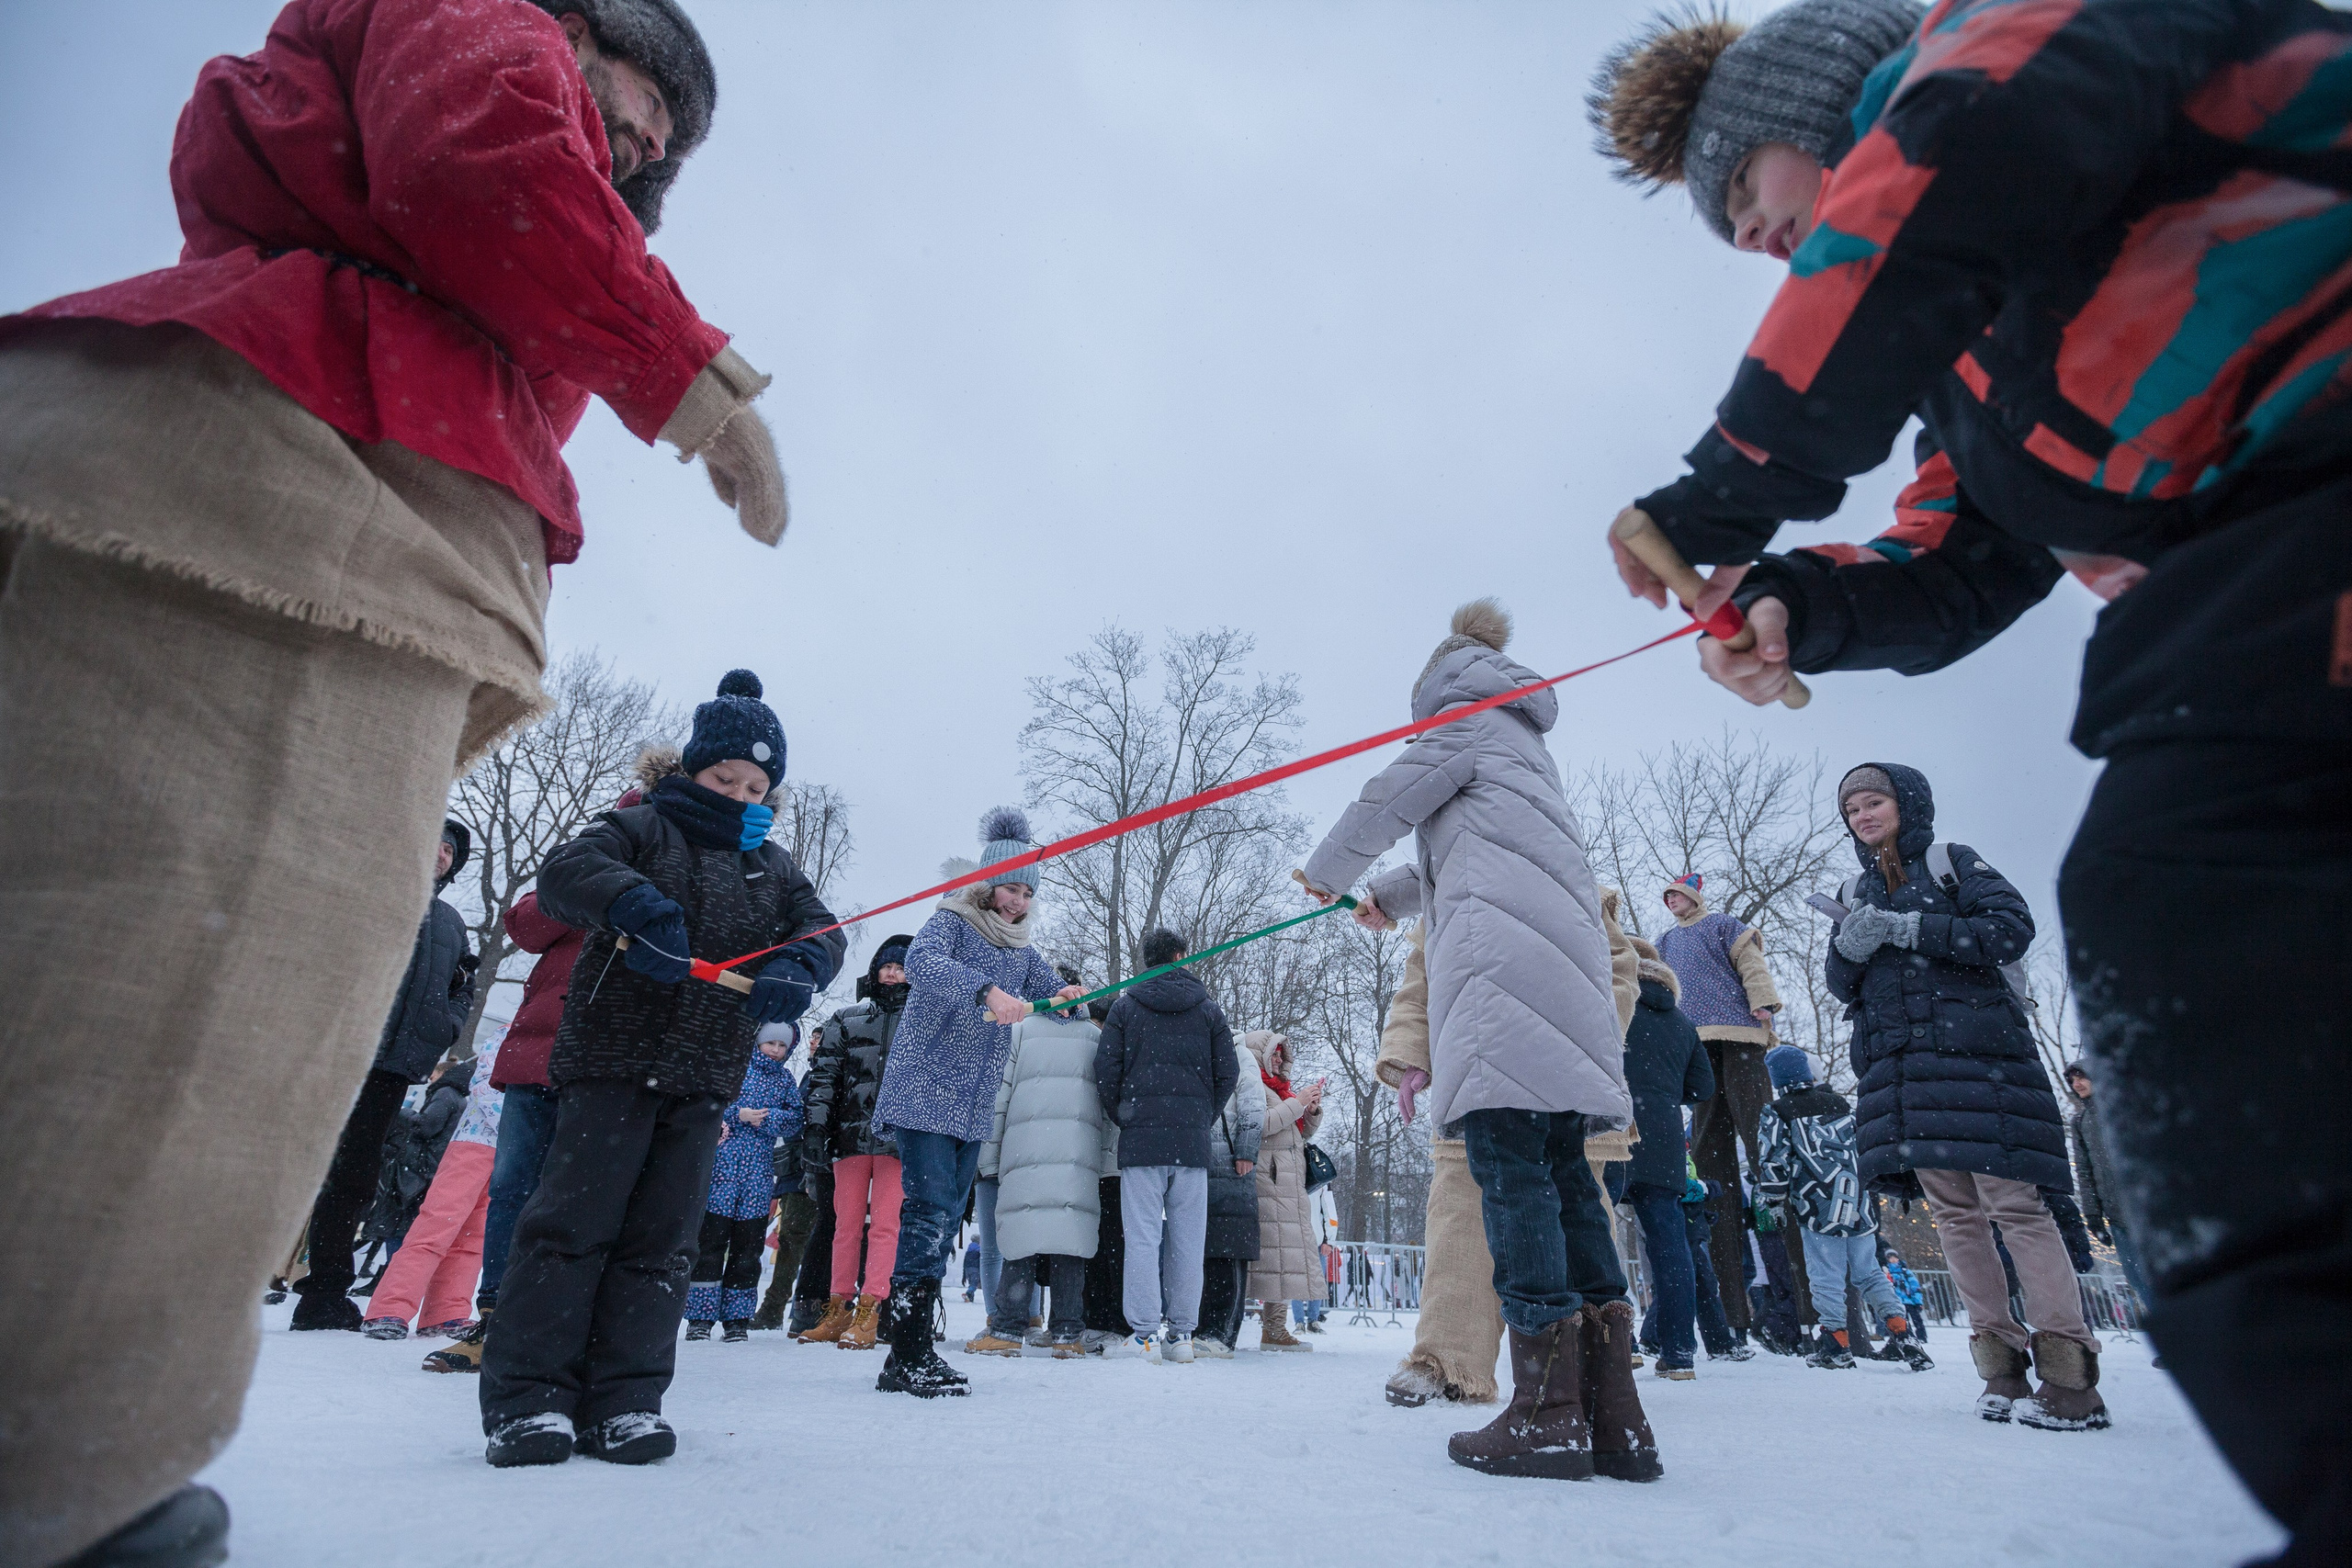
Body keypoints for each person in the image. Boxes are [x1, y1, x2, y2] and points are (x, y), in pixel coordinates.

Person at [0, 0, 785, 1548]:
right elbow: (486, 141)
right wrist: (684, 369)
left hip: (284, 510)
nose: (630, 154)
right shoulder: (479, 30)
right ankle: (66, 1463)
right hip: (279, 496)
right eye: (626, 108)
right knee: (193, 1003)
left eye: (657, 156)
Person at [1592, 2, 2351, 1548]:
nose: (1759, 248)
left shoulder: (2013, 46)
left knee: (2198, 876)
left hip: (2319, 436)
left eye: (1754, 203)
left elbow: (1958, 159)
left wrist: (1734, 485)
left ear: (1826, 110)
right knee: (2188, 869)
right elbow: (1967, 546)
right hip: (2251, 549)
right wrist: (1804, 599)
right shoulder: (1981, 355)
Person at [1301, 598, 1657, 1483]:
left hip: (1504, 984)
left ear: (1439, 683)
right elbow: (1470, 853)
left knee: (1510, 1174)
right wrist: (1388, 893)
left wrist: (1328, 873)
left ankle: (1544, 1410)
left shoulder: (1464, 723)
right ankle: (1614, 1417)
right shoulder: (1524, 747)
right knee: (1567, 1176)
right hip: (1559, 984)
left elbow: (1390, 795)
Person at [479, 671, 842, 1467]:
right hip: (612, 1062)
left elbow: (824, 931)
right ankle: (531, 1398)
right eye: (724, 779)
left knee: (662, 1242)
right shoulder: (641, 828)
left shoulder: (772, 867)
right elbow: (570, 873)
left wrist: (797, 963)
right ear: (691, 770)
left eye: (757, 785)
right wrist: (636, 904)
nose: (741, 794)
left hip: (702, 1077)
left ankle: (626, 1399)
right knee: (572, 1228)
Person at [1826, 766, 2099, 1425]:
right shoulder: (1853, 888)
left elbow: (2009, 929)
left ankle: (2070, 1373)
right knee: (1953, 1215)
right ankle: (2001, 1367)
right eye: (1853, 808)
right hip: (1903, 1076)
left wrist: (1914, 928)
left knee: (2016, 1207)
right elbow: (1843, 984)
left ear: (1906, 804)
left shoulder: (1952, 863)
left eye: (1875, 802)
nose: (1864, 815)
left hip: (1983, 1065)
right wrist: (1848, 945)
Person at [868, 808, 1084, 1397]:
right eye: (1011, 888)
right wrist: (985, 990)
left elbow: (1046, 991)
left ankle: (912, 1345)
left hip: (970, 1098)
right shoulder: (952, 922)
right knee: (928, 1210)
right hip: (924, 1086)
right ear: (989, 883)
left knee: (944, 1223)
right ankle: (907, 1348)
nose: (1018, 902)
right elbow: (923, 963)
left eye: (1026, 893)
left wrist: (1066, 997)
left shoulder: (1021, 948)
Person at [291, 821, 478, 1329]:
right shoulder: (372, 898)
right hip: (336, 1053)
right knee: (290, 1162)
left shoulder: (451, 922)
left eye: (449, 851)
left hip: (393, 1068)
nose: (440, 855)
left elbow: (465, 982)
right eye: (434, 844)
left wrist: (447, 1025)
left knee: (355, 1177)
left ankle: (325, 1293)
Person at [425, 886, 586, 1373]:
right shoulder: (591, 860)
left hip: (606, 1067)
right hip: (534, 1058)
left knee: (582, 1199)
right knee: (511, 1190)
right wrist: (592, 871)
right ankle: (495, 1319)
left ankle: (565, 1327)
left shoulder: (679, 868)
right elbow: (525, 926)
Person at [1651, 871, 1792, 1349]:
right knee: (1710, 1154)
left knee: (1760, 1135)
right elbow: (1662, 986)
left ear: (1692, 897)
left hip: (1739, 1034)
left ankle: (1800, 1308)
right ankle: (1733, 1311)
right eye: (1667, 897)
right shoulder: (1665, 941)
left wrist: (1764, 1004)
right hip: (1695, 1042)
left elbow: (1752, 965)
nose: (1672, 903)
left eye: (1678, 895)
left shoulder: (1725, 926)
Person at [1094, 927, 1240, 1363]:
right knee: (1188, 1240)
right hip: (1191, 1145)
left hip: (1141, 1141)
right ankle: (1181, 1336)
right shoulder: (1208, 1010)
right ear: (1181, 956)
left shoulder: (1125, 1006)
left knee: (1141, 1237)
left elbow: (1105, 1069)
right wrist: (1201, 1117)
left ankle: (1142, 1336)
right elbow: (1228, 1072)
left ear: (1147, 960)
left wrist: (1126, 1114)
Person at [1753, 1046, 1929, 1373]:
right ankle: (1902, 1332)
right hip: (1858, 1203)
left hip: (1818, 1205)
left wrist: (1774, 1199)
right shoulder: (1841, 1105)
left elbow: (1774, 1160)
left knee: (1825, 1276)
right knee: (1869, 1272)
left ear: (1777, 1079)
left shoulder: (1778, 1111)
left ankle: (1835, 1342)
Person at [967, 989, 1113, 1358]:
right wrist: (1107, 1161)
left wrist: (989, 1157)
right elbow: (1109, 1107)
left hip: (1025, 1152)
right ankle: (1067, 1333)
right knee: (1071, 1243)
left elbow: (999, 1098)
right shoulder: (1095, 1039)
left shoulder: (1020, 1032)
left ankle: (1006, 1329)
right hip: (1077, 1157)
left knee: (1021, 1239)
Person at [799, 939, 911, 1350]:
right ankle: (837, 1305)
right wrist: (815, 1129)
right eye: (886, 966)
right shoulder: (846, 1019)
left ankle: (871, 1307)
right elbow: (824, 1078)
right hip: (848, 1137)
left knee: (885, 1226)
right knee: (844, 1226)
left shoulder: (923, 1021)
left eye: (900, 967)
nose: (892, 973)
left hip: (897, 1140)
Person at [364, 1030, 508, 1339]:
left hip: (512, 1151)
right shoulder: (508, 1035)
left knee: (474, 1237)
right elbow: (484, 1085)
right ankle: (390, 1307)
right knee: (436, 1226)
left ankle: (446, 1311)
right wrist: (523, 1122)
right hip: (474, 1143)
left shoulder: (567, 1036)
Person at [1618, 942, 1718, 1380]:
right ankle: (1679, 1353)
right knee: (1671, 1248)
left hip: (1614, 1129)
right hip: (1663, 1142)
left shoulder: (1615, 1004)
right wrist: (1662, 1093)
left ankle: (1622, 1341)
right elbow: (1703, 1088)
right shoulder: (1682, 1024)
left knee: (1597, 1229)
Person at [684, 1022, 805, 1342]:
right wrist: (739, 1114)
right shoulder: (735, 1067)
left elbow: (795, 1117)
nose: (776, 1050)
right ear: (758, 1042)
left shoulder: (784, 1079)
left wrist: (767, 1119)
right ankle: (700, 1317)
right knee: (710, 1245)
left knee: (747, 1249)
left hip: (758, 1176)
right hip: (722, 1172)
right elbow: (709, 1102)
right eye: (771, 1044)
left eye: (782, 1046)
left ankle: (737, 1318)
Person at [1241, 1031, 1325, 1354]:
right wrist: (1296, 1103)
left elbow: (1297, 1133)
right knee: (1273, 1256)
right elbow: (1260, 1126)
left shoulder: (1281, 1089)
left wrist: (1311, 1111)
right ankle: (1268, 1328)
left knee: (1285, 1255)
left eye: (1281, 1055)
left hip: (1287, 1180)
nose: (1278, 1059)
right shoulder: (1251, 1085)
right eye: (1274, 1053)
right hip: (1267, 1179)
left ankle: (1276, 1328)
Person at [1197, 1020, 1266, 1359]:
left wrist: (1246, 1151)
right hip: (1199, 1166)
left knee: (1228, 1252)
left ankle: (1222, 1332)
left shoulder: (1240, 1054)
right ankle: (1201, 1328)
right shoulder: (1196, 1050)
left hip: (1232, 1166)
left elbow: (1254, 1105)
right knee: (1204, 1253)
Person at [2063, 1061, 2152, 1309]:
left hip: (2147, 1209)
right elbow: (2085, 1173)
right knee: (2139, 1280)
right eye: (2072, 1081)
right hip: (2117, 1218)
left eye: (2081, 1077)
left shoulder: (2126, 1107)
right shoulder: (2080, 1122)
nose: (2076, 1084)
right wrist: (2093, 1217)